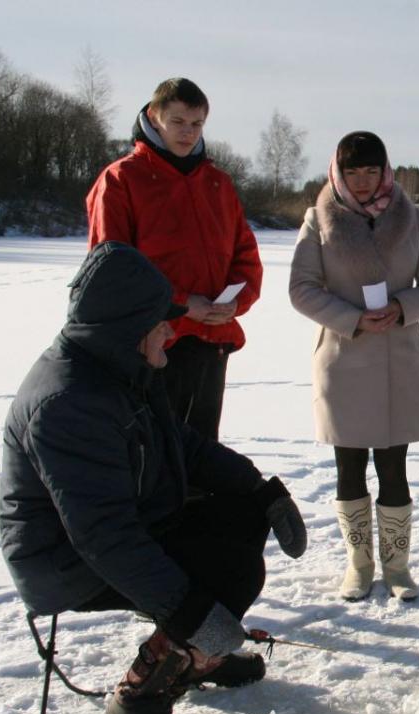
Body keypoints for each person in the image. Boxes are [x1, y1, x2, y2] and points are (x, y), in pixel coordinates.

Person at [0, 242, 307, 714]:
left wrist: (261, 489)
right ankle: (140, 696)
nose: (171, 331)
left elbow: (182, 444)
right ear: (128, 326)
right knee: (226, 567)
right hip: (65, 561)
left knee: (238, 519)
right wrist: (192, 615)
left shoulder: (121, 369)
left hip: (127, 525)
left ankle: (197, 658)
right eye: (161, 322)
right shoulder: (68, 404)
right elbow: (104, 538)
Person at [289, 132, 419, 602]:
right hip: (344, 359)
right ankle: (358, 564)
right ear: (338, 172)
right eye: (353, 171)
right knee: (350, 465)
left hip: (399, 358)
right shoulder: (318, 220)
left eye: (371, 171)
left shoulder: (412, 219)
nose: (362, 182)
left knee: (395, 466)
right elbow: (302, 288)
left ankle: (398, 567)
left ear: (386, 172)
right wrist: (352, 319)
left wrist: (402, 307)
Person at [86, 77, 263, 442]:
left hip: (212, 340)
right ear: (154, 116)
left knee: (202, 453)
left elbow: (246, 256)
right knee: (153, 453)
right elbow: (110, 271)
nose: (188, 132)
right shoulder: (121, 179)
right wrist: (180, 304)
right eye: (178, 122)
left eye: (196, 124)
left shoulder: (218, 183)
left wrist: (234, 302)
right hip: (152, 342)